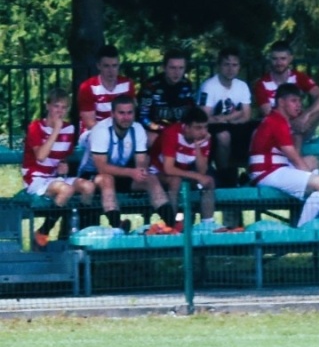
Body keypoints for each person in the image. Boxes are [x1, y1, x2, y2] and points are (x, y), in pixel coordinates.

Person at [249, 85, 319, 227]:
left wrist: (309, 177)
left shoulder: (277, 119)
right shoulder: (276, 122)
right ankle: (303, 230)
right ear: (281, 102)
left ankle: (310, 200)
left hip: (273, 168)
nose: (299, 105)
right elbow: (294, 157)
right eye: (294, 101)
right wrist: (314, 180)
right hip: (267, 172)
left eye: (299, 101)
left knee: (312, 160)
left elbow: (295, 157)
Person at [85, 94, 173, 228]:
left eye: (129, 113)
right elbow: (101, 167)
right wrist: (132, 172)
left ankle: (172, 224)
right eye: (121, 113)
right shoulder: (101, 130)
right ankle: (117, 226)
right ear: (112, 114)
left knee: (150, 178)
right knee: (106, 179)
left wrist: (141, 172)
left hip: (124, 174)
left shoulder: (138, 129)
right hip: (92, 176)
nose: (126, 117)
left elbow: (141, 163)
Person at [21, 88, 90, 244]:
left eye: (64, 107)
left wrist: (64, 163)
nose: (60, 111)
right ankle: (42, 233)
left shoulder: (70, 129)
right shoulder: (35, 127)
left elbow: (64, 155)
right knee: (66, 190)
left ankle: (80, 234)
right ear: (48, 106)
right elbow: (41, 156)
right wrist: (56, 130)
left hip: (54, 177)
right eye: (56, 106)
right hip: (35, 178)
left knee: (88, 187)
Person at [199, 47, 256, 187]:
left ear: (239, 67)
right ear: (219, 66)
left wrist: (224, 118)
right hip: (214, 129)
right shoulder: (209, 86)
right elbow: (204, 118)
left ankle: (252, 173)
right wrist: (235, 115)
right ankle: (225, 176)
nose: (230, 69)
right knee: (223, 135)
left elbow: (247, 116)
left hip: (235, 125)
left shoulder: (242, 86)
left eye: (234, 65)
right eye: (226, 64)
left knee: (258, 130)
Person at [153, 106, 217, 221]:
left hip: (183, 172)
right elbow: (168, 169)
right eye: (198, 128)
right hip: (157, 172)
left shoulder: (204, 138)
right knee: (175, 180)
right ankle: (173, 223)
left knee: (209, 181)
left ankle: (207, 223)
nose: (203, 132)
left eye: (205, 127)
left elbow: (202, 171)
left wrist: (197, 146)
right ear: (186, 127)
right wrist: (196, 176)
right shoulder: (171, 134)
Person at [254, 41, 319, 137]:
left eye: (283, 59)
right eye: (275, 59)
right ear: (270, 59)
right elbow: (267, 113)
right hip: (277, 128)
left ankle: (300, 137)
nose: (279, 63)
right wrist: (291, 124)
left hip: (301, 125)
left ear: (290, 59)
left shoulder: (299, 77)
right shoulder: (262, 83)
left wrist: (304, 115)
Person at [137, 48, 197, 146]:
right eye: (172, 68)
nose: (177, 72)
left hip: (182, 131)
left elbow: (194, 113)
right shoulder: (150, 86)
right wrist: (162, 129)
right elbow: (143, 117)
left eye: (181, 68)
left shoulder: (188, 85)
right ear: (164, 68)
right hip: (157, 131)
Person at [76, 44, 134, 132]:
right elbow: (90, 123)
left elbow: (130, 115)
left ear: (119, 65)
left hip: (121, 131)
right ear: (98, 66)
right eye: (106, 66)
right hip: (93, 133)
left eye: (114, 66)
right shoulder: (87, 87)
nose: (111, 70)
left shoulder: (127, 84)